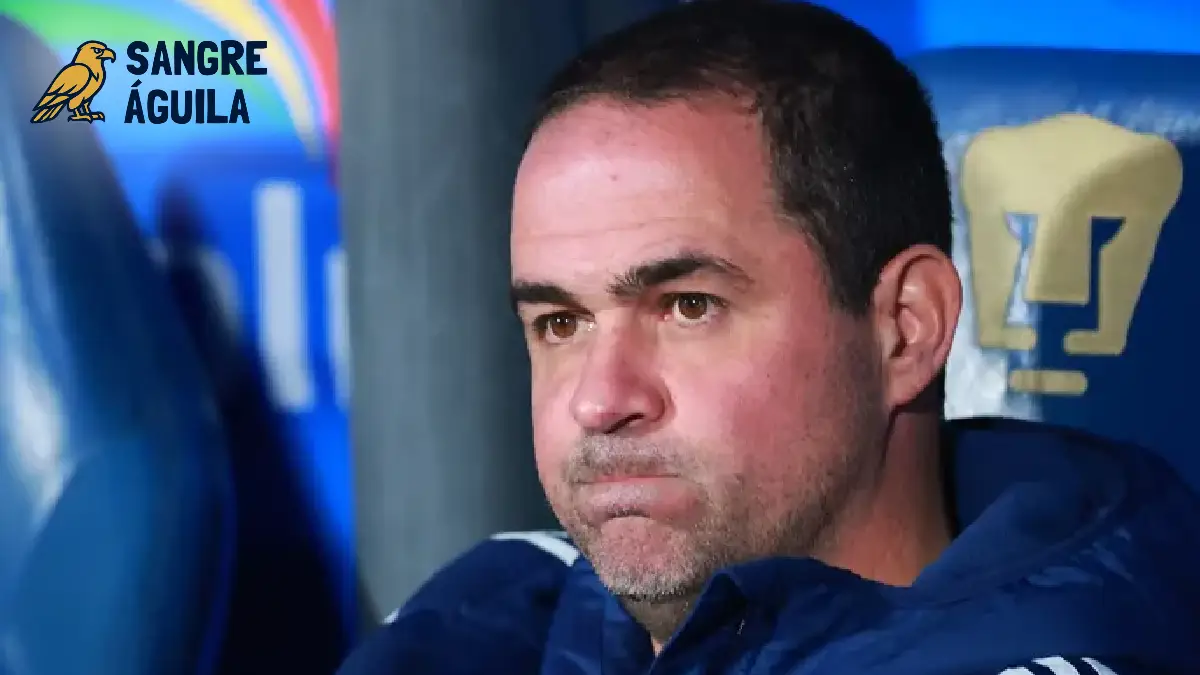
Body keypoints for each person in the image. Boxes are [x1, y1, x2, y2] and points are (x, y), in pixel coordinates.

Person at [337, 1, 1200, 673]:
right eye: (560, 322)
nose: (600, 400)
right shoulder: (506, 600)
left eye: (687, 306)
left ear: (907, 328)